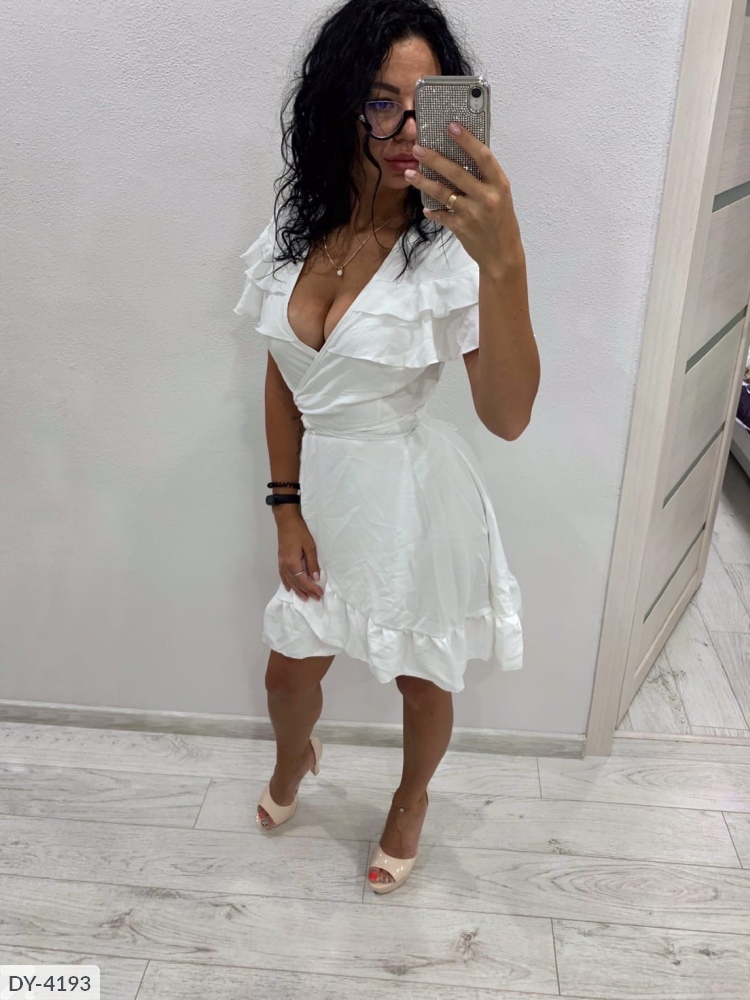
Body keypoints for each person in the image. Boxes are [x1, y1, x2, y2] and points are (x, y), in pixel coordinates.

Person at [234, 0, 539, 894]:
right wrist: (285, 509)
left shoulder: (452, 254)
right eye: (380, 101)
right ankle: (294, 759)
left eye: (425, 104)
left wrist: (505, 262)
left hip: (410, 497)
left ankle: (411, 800)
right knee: (290, 673)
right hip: (324, 496)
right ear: (340, 106)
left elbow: (509, 416)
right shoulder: (292, 237)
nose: (407, 129)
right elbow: (284, 378)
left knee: (420, 676)